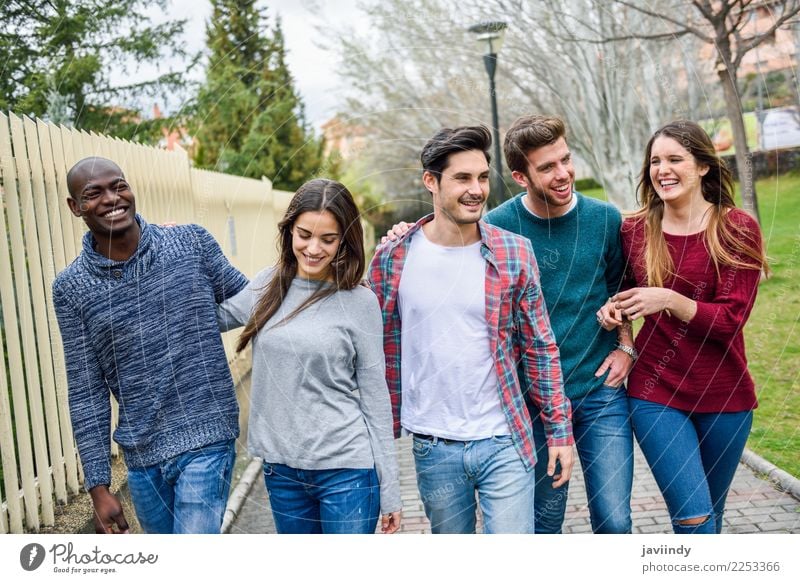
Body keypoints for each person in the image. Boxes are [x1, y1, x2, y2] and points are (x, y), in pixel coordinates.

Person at [385, 116, 636, 534]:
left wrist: (625, 345)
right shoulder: (496, 229)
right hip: (528, 401)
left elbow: (619, 286)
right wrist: (405, 235)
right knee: (543, 522)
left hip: (598, 390)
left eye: (565, 160)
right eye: (547, 167)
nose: (563, 174)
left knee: (614, 518)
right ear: (520, 176)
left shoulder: (605, 219)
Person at [368, 125, 574, 534]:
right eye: (462, 178)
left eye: (482, 177)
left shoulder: (514, 252)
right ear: (431, 181)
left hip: (505, 439)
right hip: (433, 444)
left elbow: (539, 347)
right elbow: (373, 355)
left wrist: (559, 432)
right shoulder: (393, 258)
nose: (476, 189)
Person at [53, 157, 248, 534]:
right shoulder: (72, 289)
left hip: (208, 433)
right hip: (142, 457)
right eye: (94, 194)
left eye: (119, 185)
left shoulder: (189, 243)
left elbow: (255, 301)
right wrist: (98, 487)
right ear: (75, 207)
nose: (112, 198)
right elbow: (86, 390)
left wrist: (335, 276)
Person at [597, 120, 768, 534]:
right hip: (656, 393)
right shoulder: (635, 229)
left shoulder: (736, 228)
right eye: (655, 161)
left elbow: (730, 319)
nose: (662, 169)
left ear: (703, 167)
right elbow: (620, 290)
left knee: (711, 515)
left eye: (675, 159)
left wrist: (669, 299)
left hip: (725, 395)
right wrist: (616, 316)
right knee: (692, 517)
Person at [217, 179, 402, 534]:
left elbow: (376, 398)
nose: (313, 248)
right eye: (304, 235)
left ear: (344, 240)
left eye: (328, 240)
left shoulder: (359, 302)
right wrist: (173, 249)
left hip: (347, 471)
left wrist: (390, 488)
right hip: (282, 472)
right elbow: (204, 318)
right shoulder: (267, 285)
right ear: (289, 231)